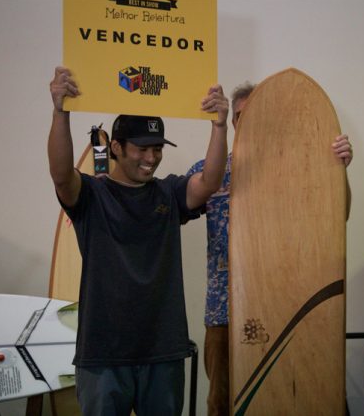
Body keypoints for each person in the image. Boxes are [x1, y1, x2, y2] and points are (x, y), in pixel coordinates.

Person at [47, 66, 229, 415]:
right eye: (142, 149)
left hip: (163, 351)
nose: (152, 158)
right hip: (103, 354)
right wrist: (60, 112)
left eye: (157, 148)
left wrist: (219, 126)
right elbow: (60, 174)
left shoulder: (169, 191)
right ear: (115, 147)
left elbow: (209, 181)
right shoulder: (91, 195)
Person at [187, 82, 354, 415]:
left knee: (283, 401)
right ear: (232, 122)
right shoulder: (210, 170)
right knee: (221, 404)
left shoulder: (300, 168)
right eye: (239, 117)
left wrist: (339, 172)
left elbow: (338, 217)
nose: (245, 122)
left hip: (283, 307)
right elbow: (175, 206)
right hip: (223, 312)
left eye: (254, 115)